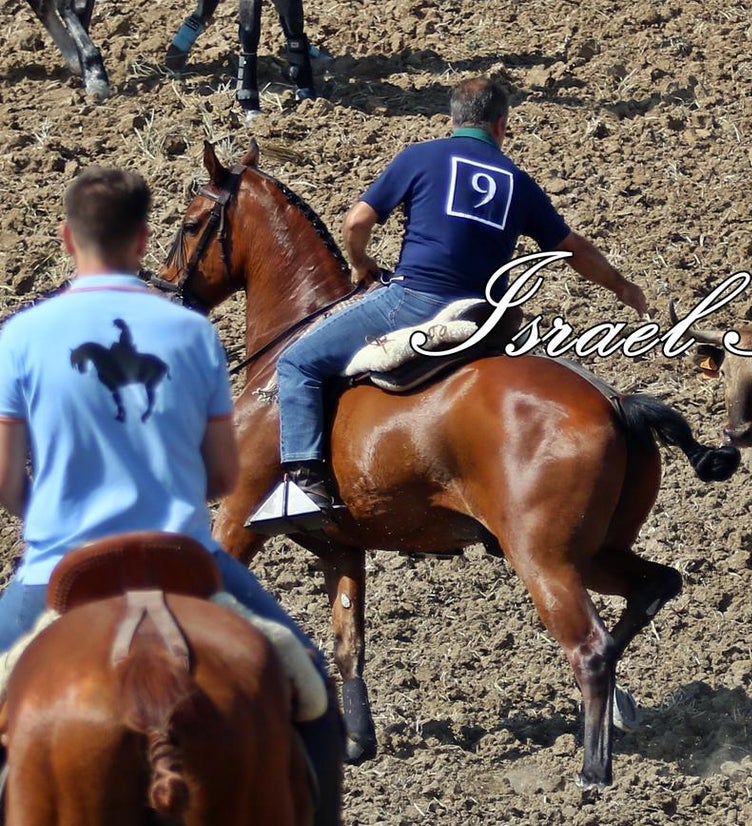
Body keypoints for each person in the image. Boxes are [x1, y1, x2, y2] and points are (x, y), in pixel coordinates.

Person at [0, 168, 343, 826]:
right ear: (143, 240)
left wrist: (43, 511)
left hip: (54, 568)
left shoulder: (21, 336)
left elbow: (6, 480)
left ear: (69, 238)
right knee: (315, 697)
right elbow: (221, 476)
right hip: (190, 564)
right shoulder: (190, 334)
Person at [255, 75, 650, 527]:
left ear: (453, 119)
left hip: (416, 300)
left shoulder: (422, 156)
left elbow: (356, 221)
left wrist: (360, 262)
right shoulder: (518, 183)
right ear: (501, 125)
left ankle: (305, 485)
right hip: (485, 316)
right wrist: (623, 287)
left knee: (298, 362)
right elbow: (573, 249)